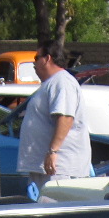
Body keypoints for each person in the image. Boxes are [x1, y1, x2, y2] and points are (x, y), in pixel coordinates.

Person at [17, 41, 91, 191]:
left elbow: (65, 117)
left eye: (36, 57)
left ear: (47, 58)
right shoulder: (52, 83)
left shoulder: (62, 82)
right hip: (49, 167)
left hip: (60, 168)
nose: (34, 62)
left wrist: (53, 151)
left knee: (55, 211)